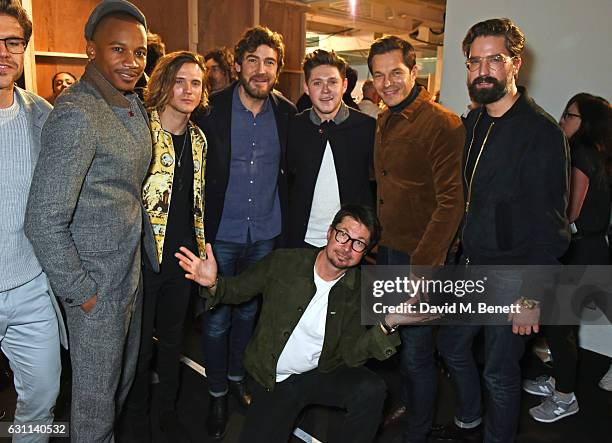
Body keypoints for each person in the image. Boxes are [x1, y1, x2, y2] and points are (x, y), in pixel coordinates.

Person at [175, 204, 423, 443]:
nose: (347, 247)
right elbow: (236, 290)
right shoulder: (284, 262)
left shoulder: (358, 290)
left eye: (359, 244)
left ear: (366, 252)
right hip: (277, 380)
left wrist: (388, 323)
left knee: (372, 389)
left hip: (322, 371)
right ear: (329, 232)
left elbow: (352, 355)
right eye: (343, 235)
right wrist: (213, 283)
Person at [24, 1, 158, 441]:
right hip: (96, 288)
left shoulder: (129, 103)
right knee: (94, 409)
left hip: (129, 276)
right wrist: (84, 294)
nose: (132, 62)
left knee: (116, 391)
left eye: (139, 52)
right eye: (118, 50)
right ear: (90, 50)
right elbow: (43, 219)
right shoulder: (77, 114)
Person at [435, 18, 570, 443]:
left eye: (494, 60)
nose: (482, 71)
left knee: (498, 372)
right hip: (471, 267)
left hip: (512, 276)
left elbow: (550, 228)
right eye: (474, 62)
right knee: (452, 347)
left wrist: (531, 296)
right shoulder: (473, 124)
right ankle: (470, 420)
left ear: (515, 64)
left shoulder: (541, 133)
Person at [193, 26, 296, 439]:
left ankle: (238, 378)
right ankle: (216, 392)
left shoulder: (288, 114)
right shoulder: (209, 110)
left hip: (266, 234)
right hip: (220, 237)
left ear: (278, 70)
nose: (260, 69)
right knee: (216, 320)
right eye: (252, 60)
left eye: (269, 62)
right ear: (238, 65)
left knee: (250, 313)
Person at [367, 35, 465, 443]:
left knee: (419, 350)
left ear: (414, 72)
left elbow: (450, 203)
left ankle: (419, 431)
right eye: (378, 75)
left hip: (420, 257)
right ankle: (409, 405)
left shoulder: (442, 122)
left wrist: (423, 270)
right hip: (389, 249)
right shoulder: (386, 117)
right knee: (396, 342)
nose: (387, 82)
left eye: (395, 72)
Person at [123, 51, 208, 441]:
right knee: (139, 350)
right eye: (180, 81)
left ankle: (167, 413)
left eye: (196, 82)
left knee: (173, 344)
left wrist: (202, 252)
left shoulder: (199, 140)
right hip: (142, 259)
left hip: (182, 261)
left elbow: (198, 201)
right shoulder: (141, 130)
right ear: (163, 84)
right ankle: (136, 418)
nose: (188, 90)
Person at [0, 2, 67, 439]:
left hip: (29, 286)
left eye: (12, 43)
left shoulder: (42, 114)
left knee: (43, 399)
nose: (3, 53)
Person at [523, 93, 612, 422]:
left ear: (586, 123)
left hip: (578, 252)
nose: (562, 120)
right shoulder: (598, 155)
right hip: (591, 250)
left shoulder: (580, 156)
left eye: (570, 116)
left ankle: (564, 396)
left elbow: (568, 212)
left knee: (560, 329)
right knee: (561, 327)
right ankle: (561, 381)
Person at [286, 49, 375, 248]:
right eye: (317, 83)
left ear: (344, 85)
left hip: (349, 245)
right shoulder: (294, 126)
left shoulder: (367, 128)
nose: (325, 90)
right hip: (299, 241)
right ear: (307, 88)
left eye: (333, 82)